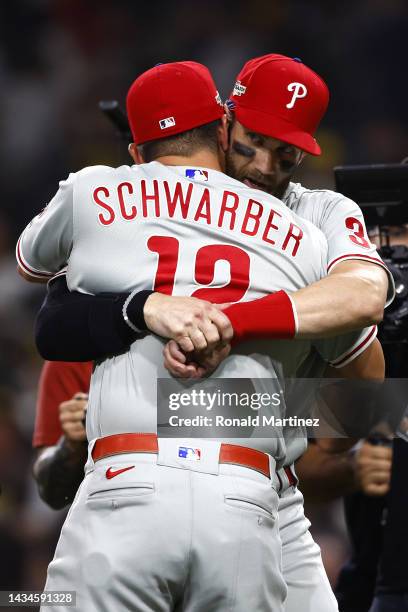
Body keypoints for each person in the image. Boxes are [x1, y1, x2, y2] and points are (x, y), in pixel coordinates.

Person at [21, 56, 389, 612]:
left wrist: (230, 338)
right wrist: (147, 310)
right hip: (229, 485)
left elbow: (366, 330)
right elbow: (56, 334)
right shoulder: (292, 242)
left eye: (286, 152)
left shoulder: (316, 215)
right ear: (223, 120)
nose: (264, 165)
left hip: (270, 488)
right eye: (250, 143)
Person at [32, 361, 91, 509]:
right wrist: (71, 445)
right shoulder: (68, 356)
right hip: (98, 511)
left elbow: (160, 433)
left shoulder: (158, 357)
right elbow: (51, 492)